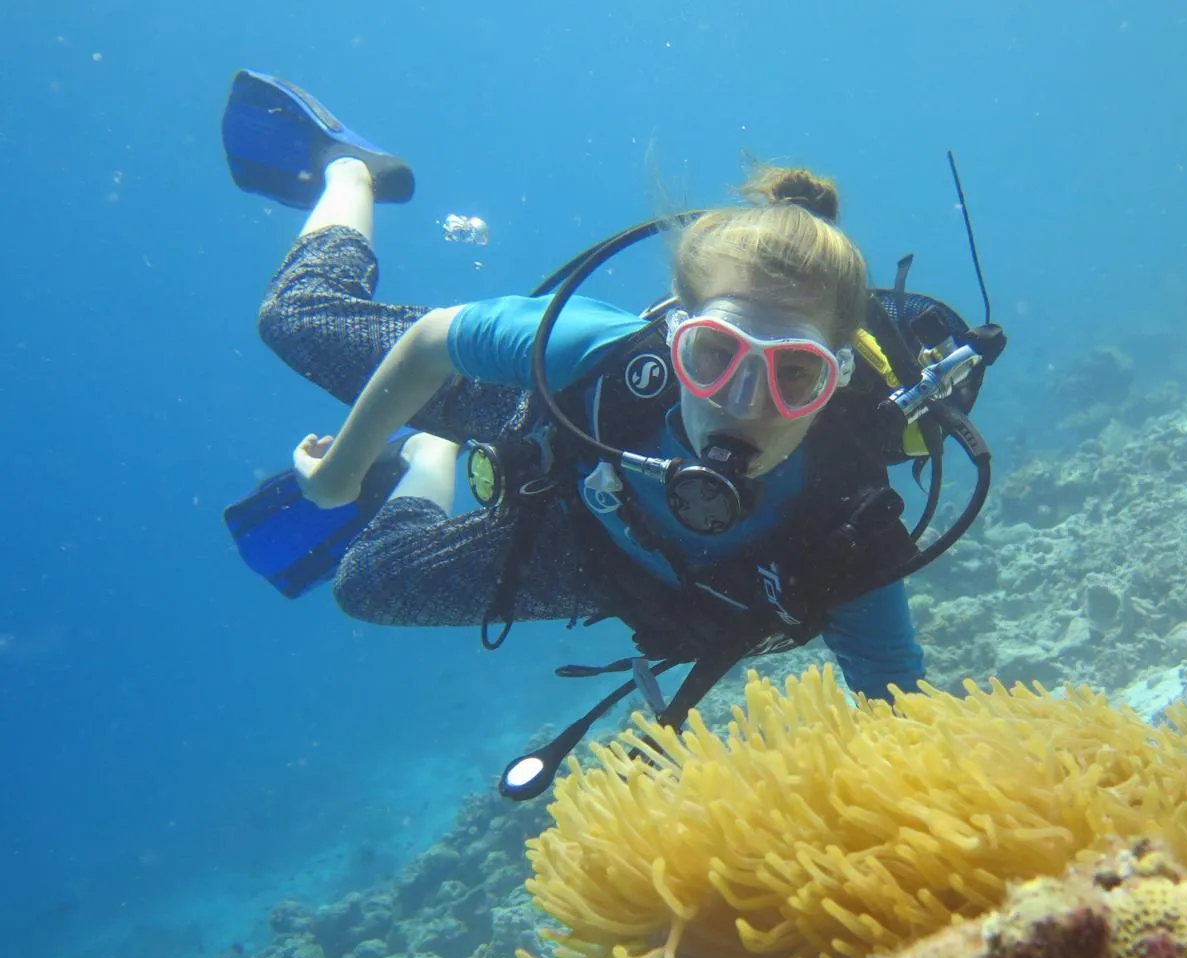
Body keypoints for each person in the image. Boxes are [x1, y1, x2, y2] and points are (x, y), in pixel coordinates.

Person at [221, 71, 1003, 797]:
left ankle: (432, 449)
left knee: (366, 582)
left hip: (602, 558)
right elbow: (432, 341)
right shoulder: (602, 353)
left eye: (793, 374)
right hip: (548, 419)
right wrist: (342, 474)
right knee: (293, 320)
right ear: (674, 339)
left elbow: (898, 710)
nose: (742, 400)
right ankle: (350, 171)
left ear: (832, 380)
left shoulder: (846, 530)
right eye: (714, 353)